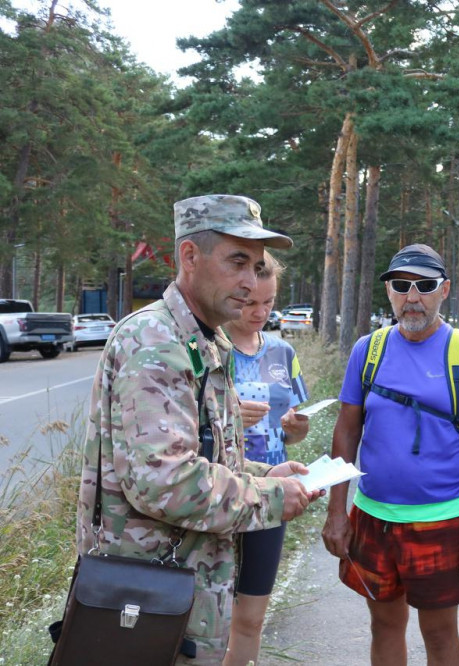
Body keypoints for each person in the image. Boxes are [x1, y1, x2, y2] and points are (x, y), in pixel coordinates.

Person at [76, 194, 323, 664]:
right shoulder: (156, 341)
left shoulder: (205, 340)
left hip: (183, 599)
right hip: (144, 605)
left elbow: (201, 456)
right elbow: (163, 481)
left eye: (257, 266)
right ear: (189, 257)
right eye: (237, 262)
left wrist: (262, 474)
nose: (251, 283)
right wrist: (270, 498)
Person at [321, 244, 459, 665]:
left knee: (438, 633)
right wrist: (336, 511)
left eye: (425, 286)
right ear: (389, 292)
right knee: (383, 624)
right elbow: (347, 431)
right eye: (402, 286)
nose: (412, 296)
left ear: (445, 290)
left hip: (442, 520)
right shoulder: (369, 349)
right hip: (373, 519)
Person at [223, 252, 310, 666]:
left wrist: (297, 428)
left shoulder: (282, 352)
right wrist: (227, 415)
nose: (259, 313)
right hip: (220, 490)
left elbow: (297, 424)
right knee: (209, 616)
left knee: (252, 616)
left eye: (269, 303)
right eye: (250, 303)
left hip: (269, 495)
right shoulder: (210, 347)